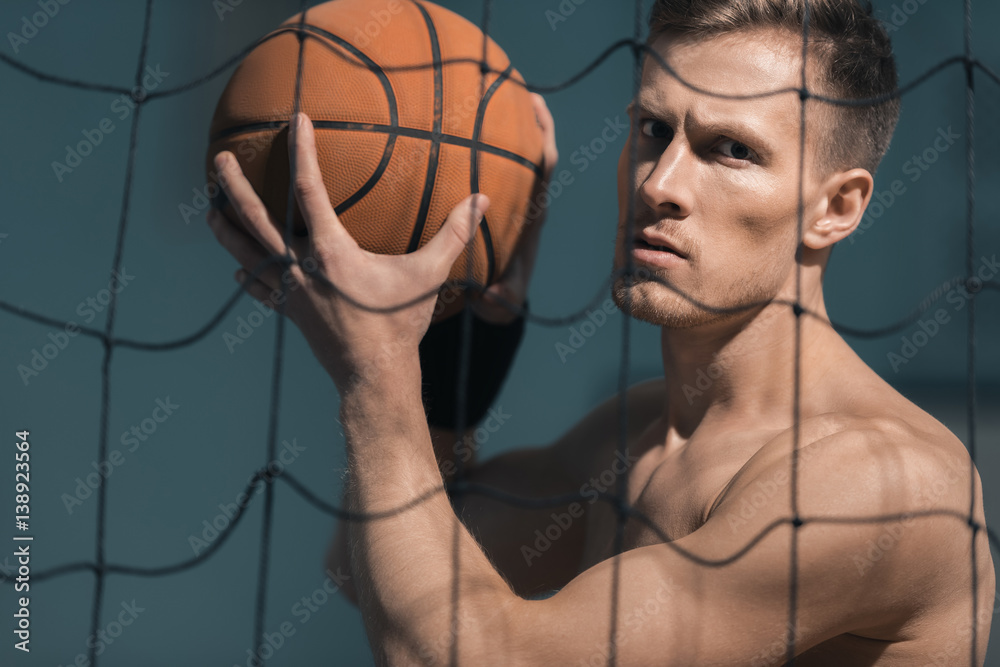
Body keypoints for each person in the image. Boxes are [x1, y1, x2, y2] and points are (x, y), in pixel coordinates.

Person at [207, 0, 994, 663]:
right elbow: (365, 568)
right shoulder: (631, 437)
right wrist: (461, 338)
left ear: (837, 208)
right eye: (654, 130)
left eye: (731, 149)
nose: (661, 184)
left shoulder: (885, 483)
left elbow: (471, 654)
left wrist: (376, 369)